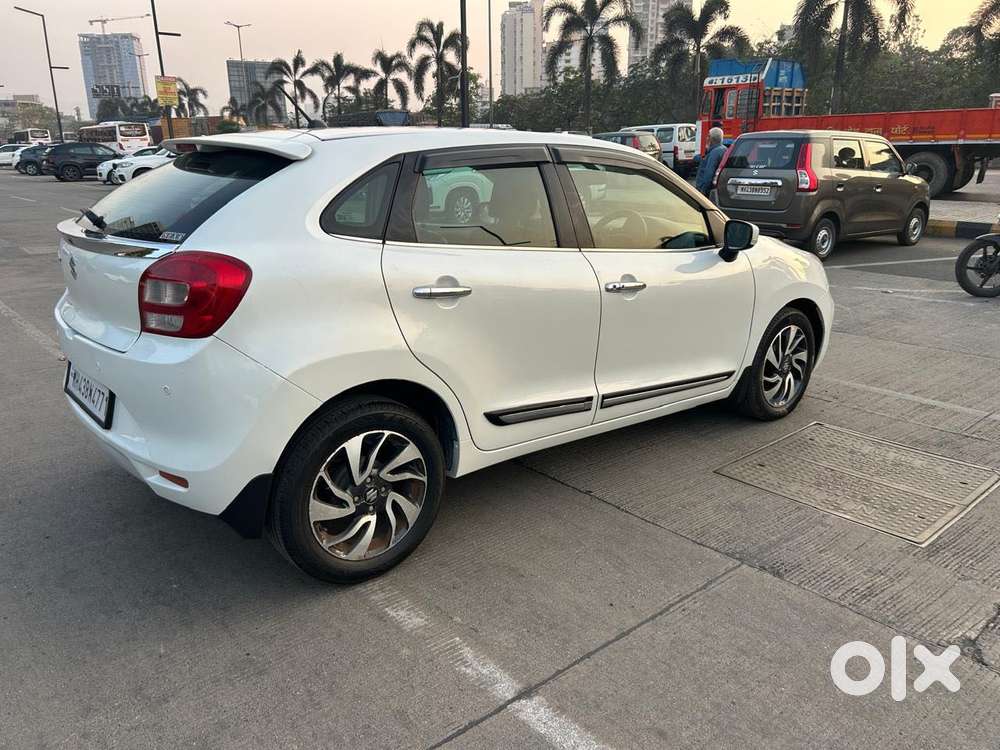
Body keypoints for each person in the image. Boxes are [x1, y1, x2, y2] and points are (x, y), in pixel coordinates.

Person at [695, 127, 726, 197]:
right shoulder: (723, 149)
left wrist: (703, 191)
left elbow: (708, 174)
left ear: (711, 138)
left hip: (706, 191)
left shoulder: (714, 153)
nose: (706, 138)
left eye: (708, 136)